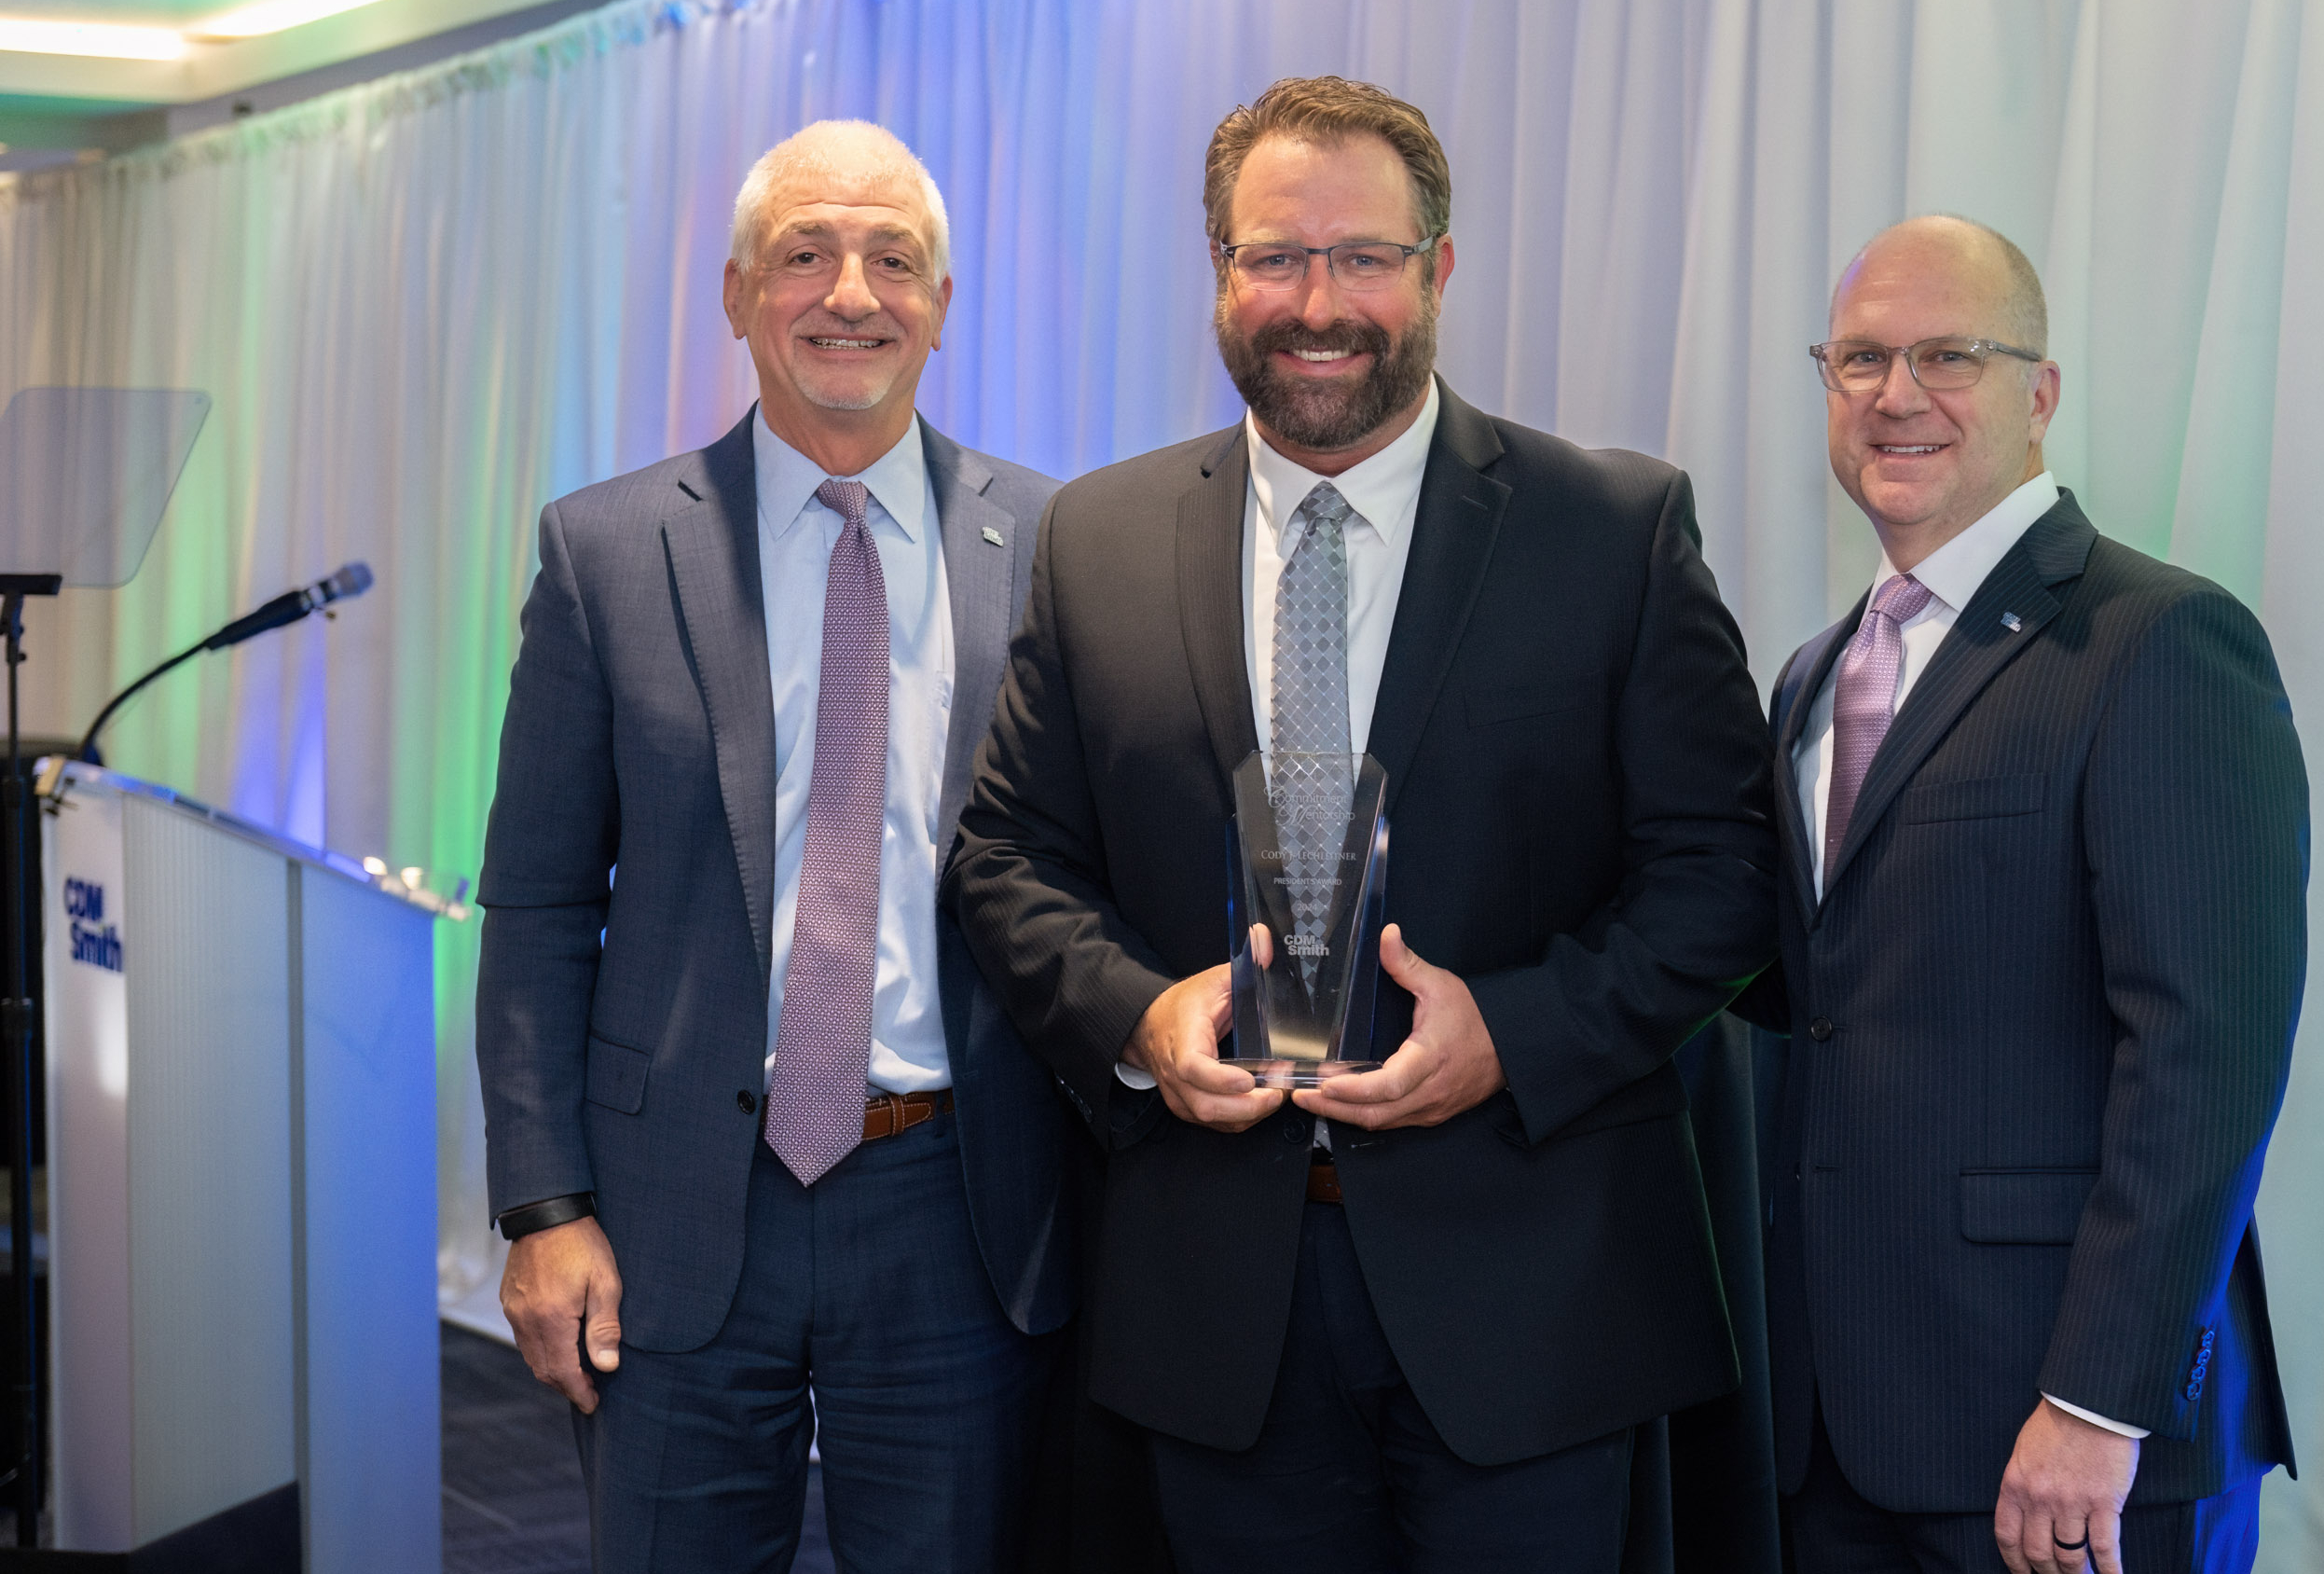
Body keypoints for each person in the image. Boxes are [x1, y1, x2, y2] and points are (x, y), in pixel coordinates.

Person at [949, 76, 1775, 1574]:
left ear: (1438, 268)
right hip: (1217, 1307)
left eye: (1364, 257)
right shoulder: (1098, 539)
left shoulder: (1613, 531)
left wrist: (1514, 1033)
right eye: (1274, 256)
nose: (1318, 303)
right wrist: (1141, 1018)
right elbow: (1007, 859)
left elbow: (1724, 873)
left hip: (1533, 1303)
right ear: (1220, 272)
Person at [474, 120, 1072, 1572]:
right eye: (805, 254)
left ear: (941, 305)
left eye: (892, 260)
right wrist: (544, 1207)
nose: (849, 293)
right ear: (739, 294)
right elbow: (539, 905)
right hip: (670, 1208)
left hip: (959, 1210)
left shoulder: (1057, 546)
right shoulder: (607, 551)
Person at [1748, 216, 2304, 1574]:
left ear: (2039, 393)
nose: (1897, 394)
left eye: (1949, 355)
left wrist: (2098, 1402)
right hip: (1828, 1430)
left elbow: (2207, 1056)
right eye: (1861, 359)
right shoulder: (1813, 675)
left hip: (2064, 1441)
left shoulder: (2160, 640)